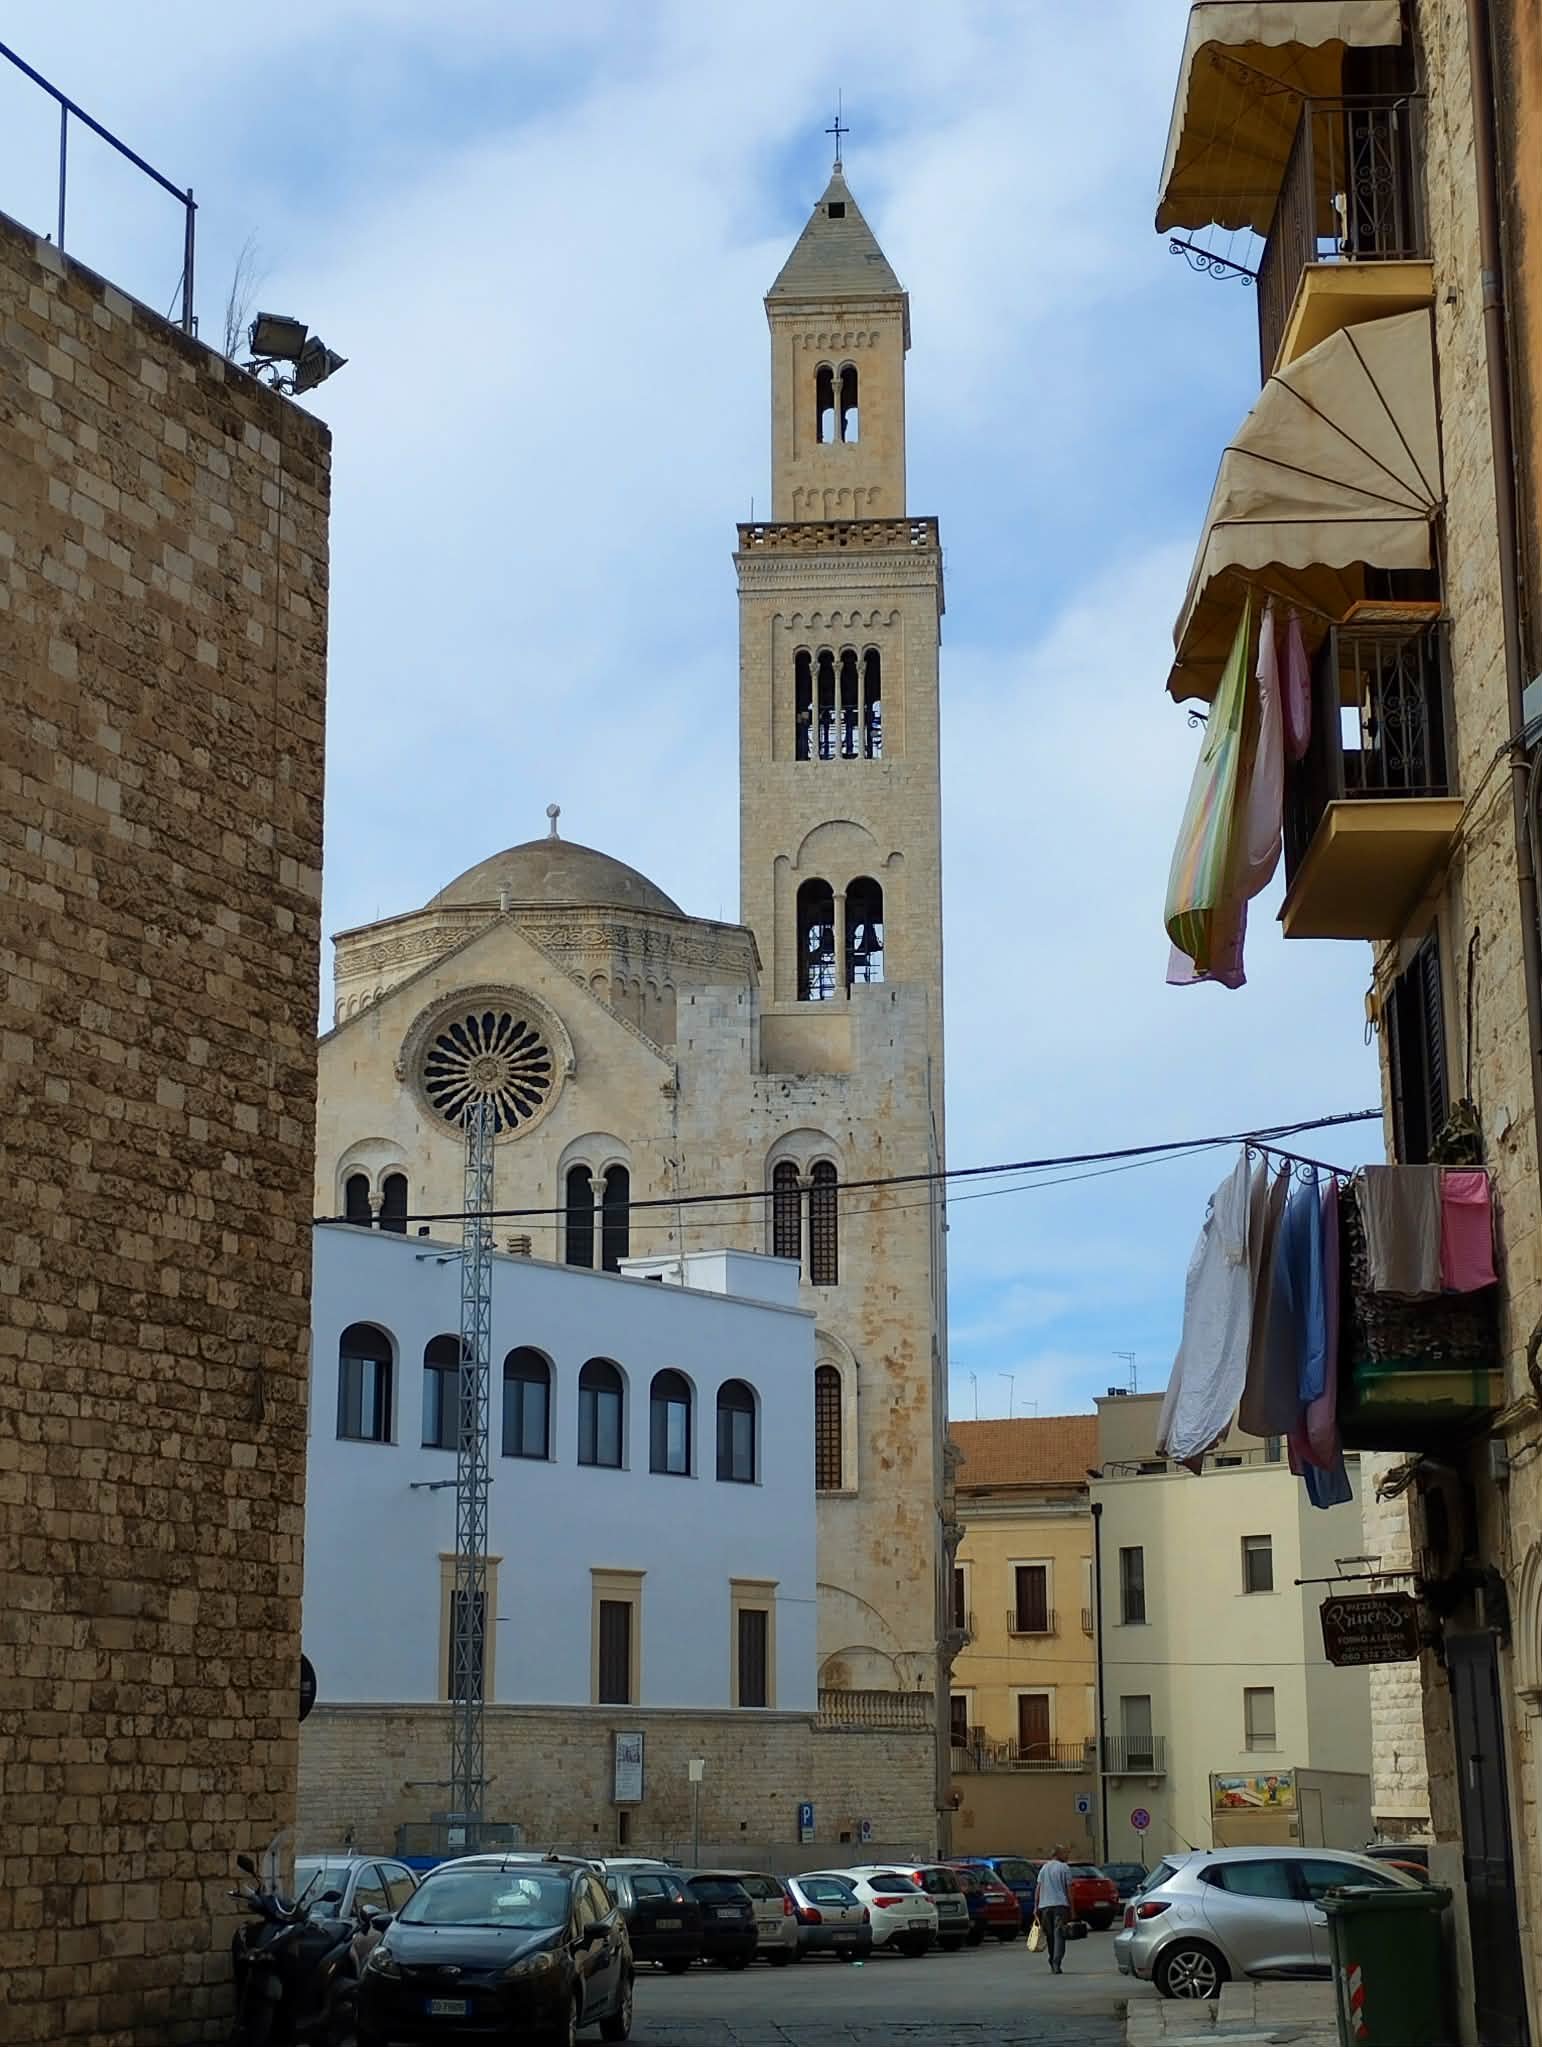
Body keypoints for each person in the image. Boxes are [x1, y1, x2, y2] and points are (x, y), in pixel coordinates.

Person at [1034, 1845, 1073, 1975]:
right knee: (1059, 1935)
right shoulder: (1064, 1868)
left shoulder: (1044, 1868)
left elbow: (1038, 1889)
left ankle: (1052, 1960)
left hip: (1045, 1906)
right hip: (1060, 1905)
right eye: (1064, 1853)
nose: (1066, 1856)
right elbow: (1068, 1890)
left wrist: (1036, 1907)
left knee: (1050, 1936)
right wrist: (1071, 1908)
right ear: (1058, 1854)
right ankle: (1056, 1962)